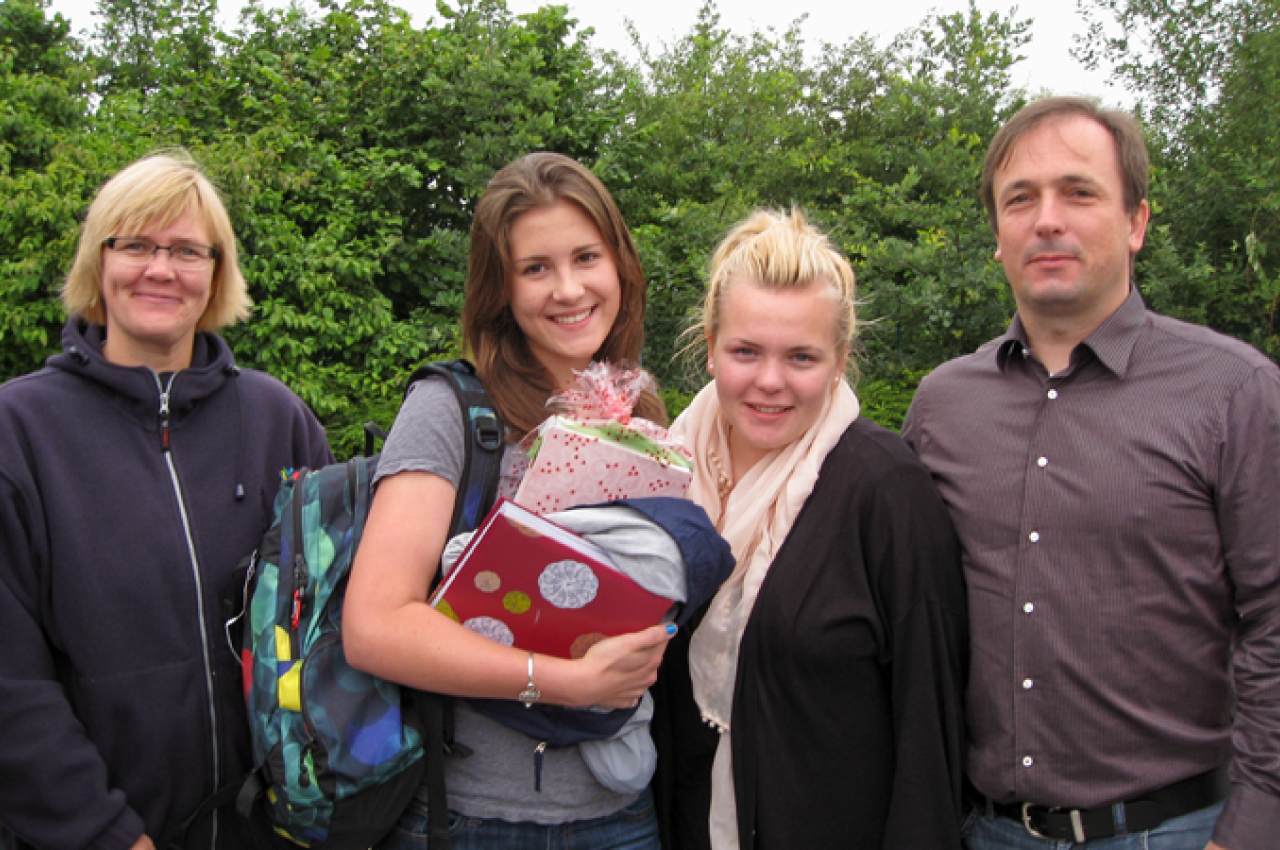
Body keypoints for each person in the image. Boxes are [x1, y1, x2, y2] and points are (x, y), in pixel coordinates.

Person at [902, 95, 1280, 850]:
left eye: (1079, 192)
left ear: (1136, 222)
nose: (1048, 219)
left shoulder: (1233, 391)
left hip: (1178, 830)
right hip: (984, 831)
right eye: (1021, 199)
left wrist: (1254, 829)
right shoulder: (944, 406)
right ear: (997, 237)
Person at [342, 151, 677, 850]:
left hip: (621, 814)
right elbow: (374, 626)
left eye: (587, 257)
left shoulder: (641, 411)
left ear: (621, 266)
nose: (568, 288)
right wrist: (567, 682)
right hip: (475, 822)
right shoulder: (452, 410)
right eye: (535, 268)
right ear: (501, 289)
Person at [0, 153, 333, 850]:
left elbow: (334, 624)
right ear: (100, 261)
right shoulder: (19, 430)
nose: (161, 269)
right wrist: (101, 834)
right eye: (137, 246)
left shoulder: (277, 417)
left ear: (216, 270)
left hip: (275, 833)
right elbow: (11, 680)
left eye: (186, 250)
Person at [659, 207, 968, 849]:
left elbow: (928, 728)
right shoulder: (662, 472)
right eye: (746, 351)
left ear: (838, 360)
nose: (770, 381)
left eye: (801, 356)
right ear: (710, 347)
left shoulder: (884, 488)